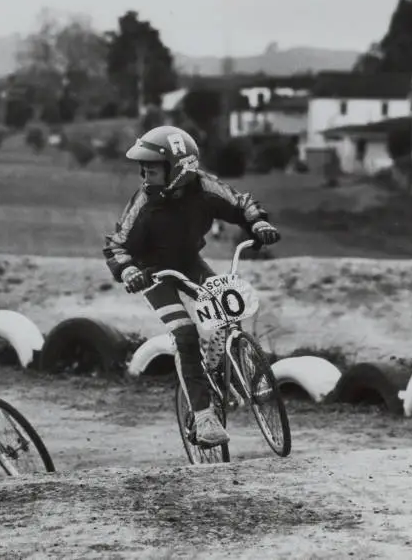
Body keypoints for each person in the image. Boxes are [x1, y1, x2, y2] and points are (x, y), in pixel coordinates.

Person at [103, 126, 281, 447]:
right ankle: (203, 416)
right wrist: (129, 270)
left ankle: (237, 375)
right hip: (154, 275)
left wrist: (258, 223)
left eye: (152, 169)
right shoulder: (144, 203)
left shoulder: (205, 187)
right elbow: (117, 245)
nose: (144, 175)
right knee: (185, 334)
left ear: (178, 169)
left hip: (189, 263)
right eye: (143, 169)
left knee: (228, 313)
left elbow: (239, 203)